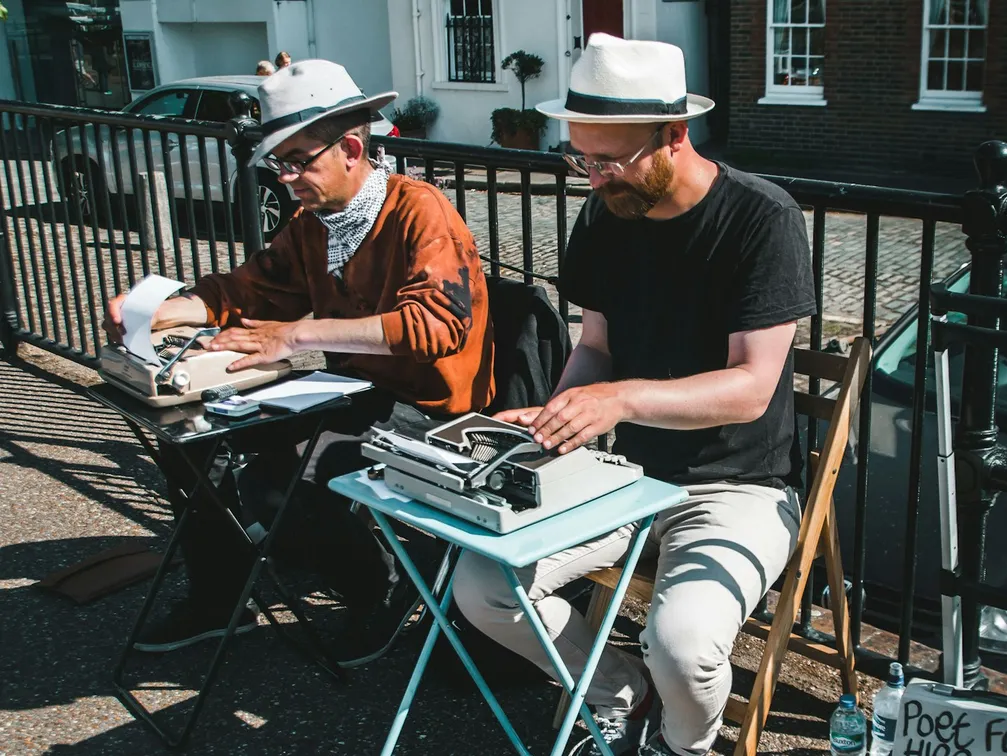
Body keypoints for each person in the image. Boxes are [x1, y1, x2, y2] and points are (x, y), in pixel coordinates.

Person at [453, 34, 815, 756]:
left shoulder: (761, 218)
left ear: (674, 135)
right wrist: (559, 417)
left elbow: (750, 389)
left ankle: (684, 747)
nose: (592, 178)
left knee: (682, 645)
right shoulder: (605, 215)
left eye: (609, 160)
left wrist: (616, 402)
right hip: (625, 473)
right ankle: (617, 693)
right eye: (580, 158)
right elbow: (595, 348)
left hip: (740, 484)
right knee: (482, 587)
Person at [102, 59, 494, 666]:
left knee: (287, 478)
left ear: (353, 149)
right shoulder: (312, 223)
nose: (286, 179)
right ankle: (220, 595)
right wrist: (165, 310)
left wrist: (296, 335)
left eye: (298, 162)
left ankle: (382, 592)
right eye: (278, 164)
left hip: (428, 404)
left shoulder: (421, 209)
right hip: (351, 390)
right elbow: (251, 290)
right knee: (192, 443)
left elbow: (437, 325)